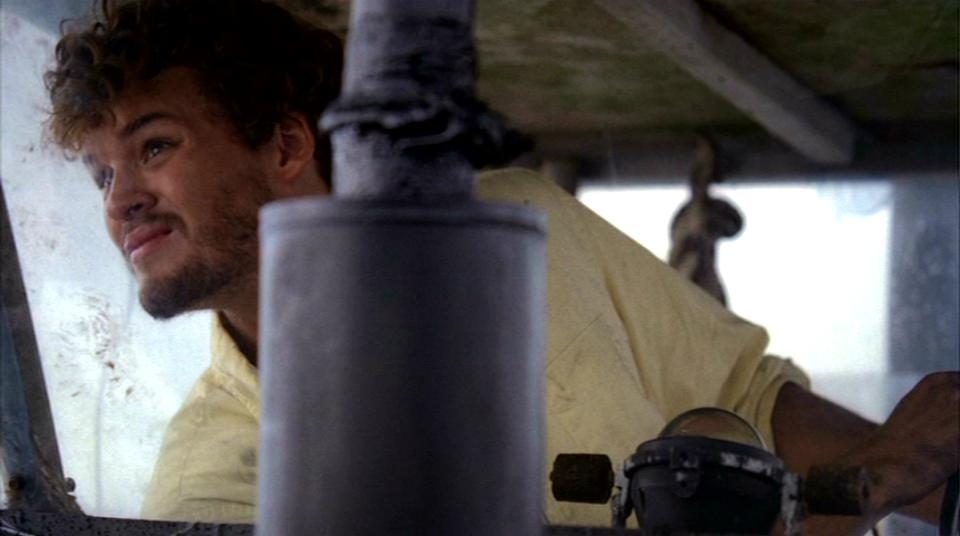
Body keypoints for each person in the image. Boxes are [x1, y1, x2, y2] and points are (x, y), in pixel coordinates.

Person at [44, 0, 958, 532]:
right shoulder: (205, 485)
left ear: (286, 144)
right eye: (101, 175)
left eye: (154, 147)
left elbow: (747, 401)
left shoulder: (525, 224)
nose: (119, 200)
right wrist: (871, 481)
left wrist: (926, 468)